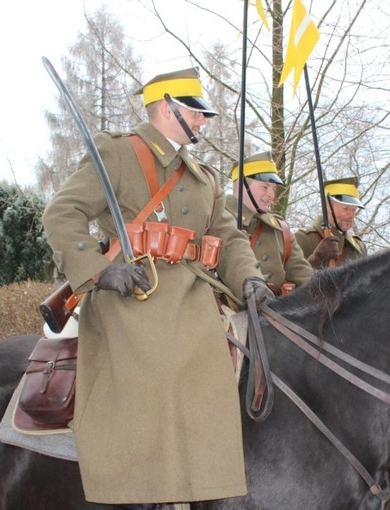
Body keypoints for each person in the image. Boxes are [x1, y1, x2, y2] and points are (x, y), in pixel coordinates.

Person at [42, 67, 274, 508]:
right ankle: (138, 489)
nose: (205, 122)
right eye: (197, 113)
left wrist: (249, 278)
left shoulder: (203, 176)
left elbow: (226, 237)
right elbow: (62, 213)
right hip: (133, 297)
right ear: (168, 109)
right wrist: (97, 270)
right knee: (158, 371)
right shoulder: (118, 154)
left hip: (194, 296)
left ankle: (204, 486)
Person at [226, 152, 313, 295]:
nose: (272, 195)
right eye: (265, 187)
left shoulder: (280, 230)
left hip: (274, 310)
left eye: (274, 188)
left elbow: (303, 274)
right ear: (242, 186)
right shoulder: (217, 218)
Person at [295, 176, 367, 269]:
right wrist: (316, 260)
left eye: (354, 210)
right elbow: (294, 278)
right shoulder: (304, 239)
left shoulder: (358, 247)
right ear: (327, 205)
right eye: (345, 208)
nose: (351, 215)